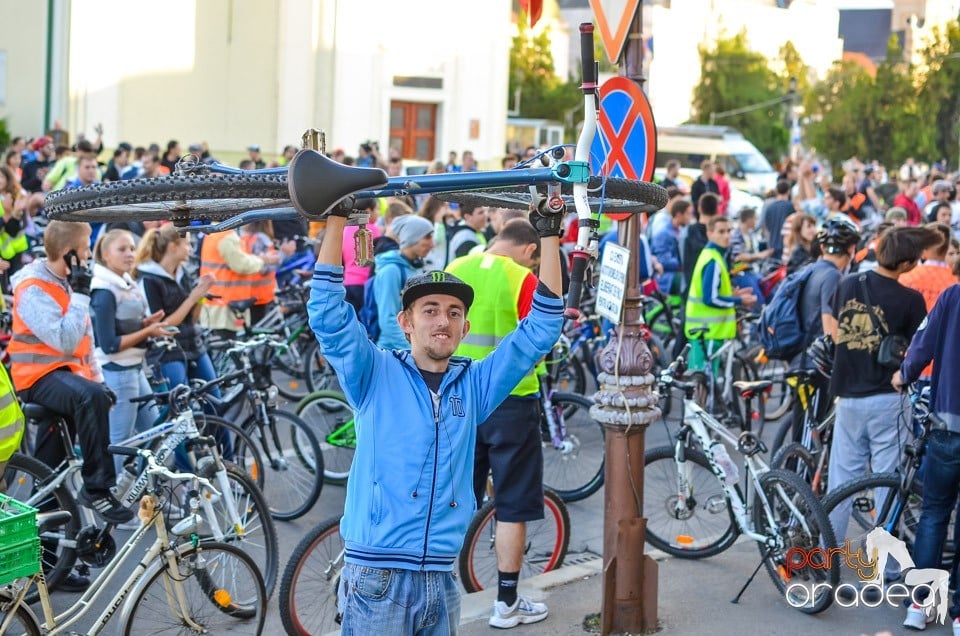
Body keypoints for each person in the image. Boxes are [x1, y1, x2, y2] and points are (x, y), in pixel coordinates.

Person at [305, 168, 564, 634]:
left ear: (465, 328)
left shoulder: (474, 385)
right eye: (429, 311)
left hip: (441, 581)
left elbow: (540, 330)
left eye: (453, 312)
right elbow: (327, 314)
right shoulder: (375, 374)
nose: (442, 321)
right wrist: (336, 223)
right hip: (376, 578)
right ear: (405, 322)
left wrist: (549, 238)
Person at [445, 220, 551, 628]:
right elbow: (537, 343)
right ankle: (506, 603)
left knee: (452, 500)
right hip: (512, 403)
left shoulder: (456, 267)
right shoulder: (522, 278)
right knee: (512, 505)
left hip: (459, 400)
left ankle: (441, 587)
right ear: (528, 249)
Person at [9, 221, 133, 524]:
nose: (90, 254)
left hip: (66, 379)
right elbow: (63, 338)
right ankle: (97, 487)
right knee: (90, 398)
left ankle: (55, 566)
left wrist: (100, 381)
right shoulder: (31, 287)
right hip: (36, 378)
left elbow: (84, 340)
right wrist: (80, 295)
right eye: (86, 248)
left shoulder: (66, 281)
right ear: (68, 254)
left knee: (51, 476)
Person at [826, 227, 941, 544]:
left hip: (848, 395)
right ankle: (886, 567)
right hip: (888, 397)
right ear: (905, 264)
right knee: (888, 483)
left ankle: (827, 553)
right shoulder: (910, 299)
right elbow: (918, 346)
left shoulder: (849, 284)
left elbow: (835, 327)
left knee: (841, 480)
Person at [894, 282, 960, 630]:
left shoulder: (952, 296)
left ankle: (918, 604)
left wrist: (903, 374)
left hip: (948, 425)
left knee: (934, 513)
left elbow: (922, 346)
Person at [90, 229, 168, 474]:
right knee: (121, 443)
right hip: (119, 373)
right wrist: (147, 332)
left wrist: (145, 325)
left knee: (155, 433)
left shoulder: (124, 281)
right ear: (105, 255)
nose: (129, 254)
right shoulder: (103, 290)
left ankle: (150, 500)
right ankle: (112, 502)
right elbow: (109, 343)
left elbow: (120, 326)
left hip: (134, 369)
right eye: (121, 249)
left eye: (132, 248)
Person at [135, 225, 218, 393]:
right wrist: (193, 297)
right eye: (186, 244)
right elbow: (162, 326)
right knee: (180, 402)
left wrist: (201, 295)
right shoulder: (149, 280)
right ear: (173, 246)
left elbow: (193, 318)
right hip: (167, 352)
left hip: (194, 344)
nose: (191, 248)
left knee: (214, 396)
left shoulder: (183, 273)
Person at [684, 216, 757, 372]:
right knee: (706, 383)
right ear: (710, 234)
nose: (727, 236)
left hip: (705, 330)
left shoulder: (712, 255)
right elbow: (710, 298)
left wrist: (732, 294)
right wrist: (739, 300)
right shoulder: (713, 260)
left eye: (729, 231)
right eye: (721, 232)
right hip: (708, 331)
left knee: (704, 383)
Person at [199, 229, 280, 338]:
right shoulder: (226, 237)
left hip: (216, 301)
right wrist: (263, 260)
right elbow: (241, 265)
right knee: (229, 346)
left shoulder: (213, 233)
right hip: (226, 304)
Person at [372, 214, 435, 350]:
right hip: (393, 352)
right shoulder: (391, 271)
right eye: (427, 237)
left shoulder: (416, 267)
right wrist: (415, 349)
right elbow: (388, 321)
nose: (432, 244)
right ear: (412, 238)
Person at [651, 199, 692, 295]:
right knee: (689, 282)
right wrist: (684, 263)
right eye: (688, 214)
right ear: (679, 214)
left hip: (676, 272)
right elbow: (663, 260)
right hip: (667, 277)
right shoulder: (664, 233)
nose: (690, 218)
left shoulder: (681, 231)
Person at [682, 192, 719, 291]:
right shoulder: (720, 235)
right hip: (714, 287)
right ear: (717, 210)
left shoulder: (688, 232)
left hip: (691, 288)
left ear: (699, 208)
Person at [762, 179, 795, 261]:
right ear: (788, 191)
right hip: (785, 246)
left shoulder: (770, 207)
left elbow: (767, 226)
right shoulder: (790, 207)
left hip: (772, 245)